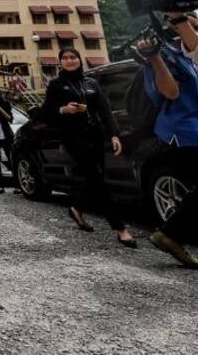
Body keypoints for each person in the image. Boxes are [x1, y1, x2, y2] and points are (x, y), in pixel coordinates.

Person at [41, 48, 136, 247]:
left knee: (96, 178)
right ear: (60, 63)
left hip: (95, 136)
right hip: (73, 138)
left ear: (79, 60)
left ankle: (76, 208)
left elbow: (105, 110)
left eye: (72, 57)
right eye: (65, 58)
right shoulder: (56, 85)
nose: (69, 61)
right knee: (96, 179)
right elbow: (46, 112)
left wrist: (114, 134)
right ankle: (120, 228)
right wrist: (63, 109)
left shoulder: (91, 83)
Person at [137, 35, 198, 269]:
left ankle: (171, 234)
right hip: (186, 131)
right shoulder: (165, 55)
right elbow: (171, 92)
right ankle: (170, 234)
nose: (196, 34)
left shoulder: (193, 57)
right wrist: (154, 56)